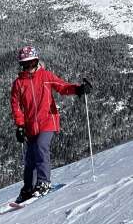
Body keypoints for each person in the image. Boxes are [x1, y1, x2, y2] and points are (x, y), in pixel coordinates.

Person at [9, 45, 87, 206]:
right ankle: (28, 188)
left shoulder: (45, 76)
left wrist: (78, 89)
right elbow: (15, 106)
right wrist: (20, 126)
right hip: (31, 126)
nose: (29, 67)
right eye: (25, 64)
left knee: (41, 147)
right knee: (30, 159)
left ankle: (44, 182)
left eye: (31, 63)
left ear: (36, 61)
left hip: (48, 121)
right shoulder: (18, 84)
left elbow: (62, 87)